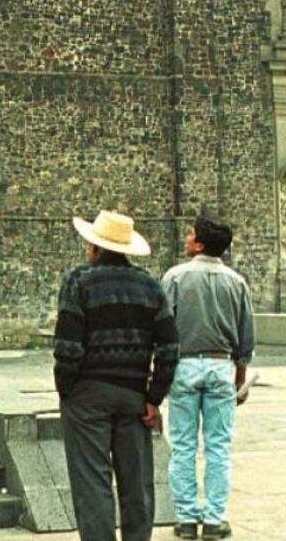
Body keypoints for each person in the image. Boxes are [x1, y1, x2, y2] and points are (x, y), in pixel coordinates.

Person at [53, 210, 179, 541]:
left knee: (92, 483)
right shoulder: (150, 286)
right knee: (136, 483)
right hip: (135, 396)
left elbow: (67, 347)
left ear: (94, 248)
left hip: (88, 394)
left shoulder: (79, 282)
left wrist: (66, 389)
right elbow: (168, 348)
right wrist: (154, 397)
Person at [162, 210, 254, 540]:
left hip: (184, 365)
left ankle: (186, 518)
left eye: (190, 234)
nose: (186, 237)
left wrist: (159, 373)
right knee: (218, 447)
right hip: (221, 366)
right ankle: (215, 519)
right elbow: (246, 337)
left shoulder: (174, 277)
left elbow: (163, 330)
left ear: (199, 244)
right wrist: (239, 377)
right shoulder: (237, 282)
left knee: (184, 446)